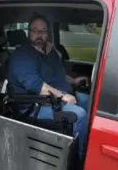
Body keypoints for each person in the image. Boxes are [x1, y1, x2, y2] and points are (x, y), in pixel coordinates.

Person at [8, 14, 88, 156]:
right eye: (35, 30)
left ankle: (87, 140)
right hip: (36, 106)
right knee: (79, 115)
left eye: (43, 30)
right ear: (28, 33)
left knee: (89, 99)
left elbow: (58, 75)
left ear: (48, 33)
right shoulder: (22, 56)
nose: (39, 34)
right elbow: (38, 86)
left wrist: (73, 81)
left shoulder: (49, 51)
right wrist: (64, 95)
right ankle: (80, 160)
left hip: (57, 99)